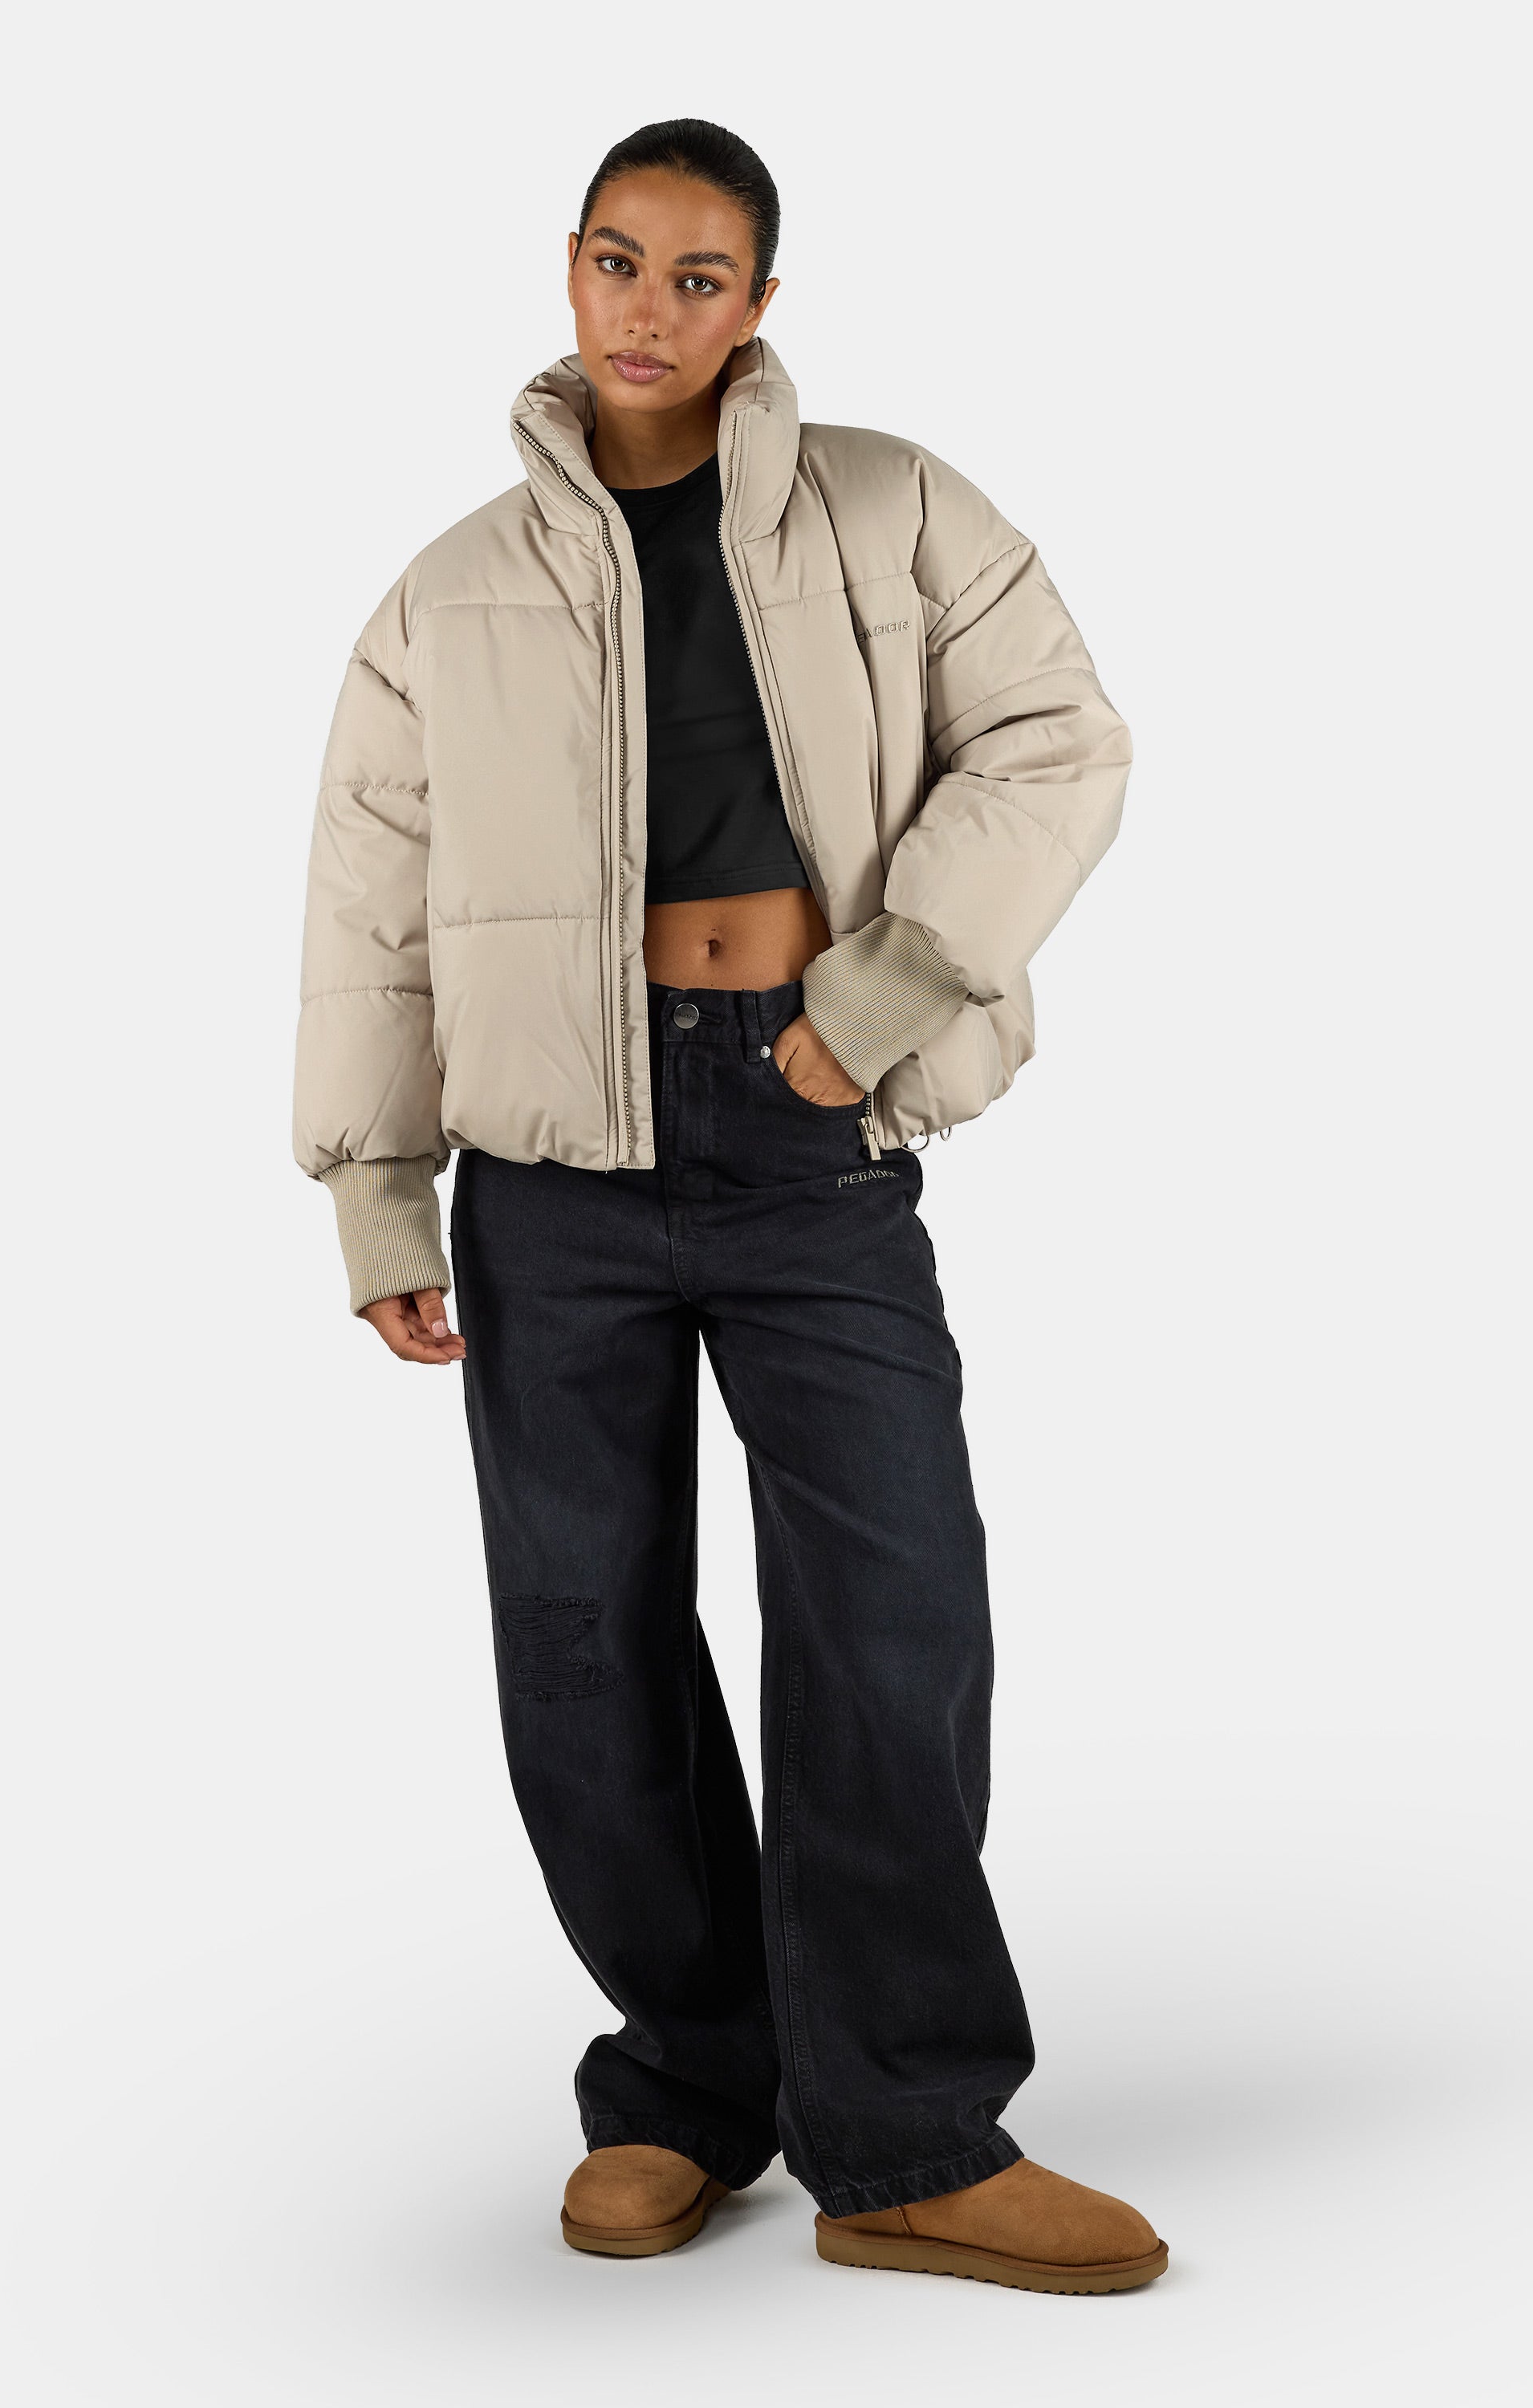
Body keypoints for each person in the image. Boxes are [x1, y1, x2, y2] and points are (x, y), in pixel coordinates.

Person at [292, 118, 1164, 2295]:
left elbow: (1058, 740)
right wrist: (379, 1187)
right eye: (619, 260)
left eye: (701, 275)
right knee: (582, 1640)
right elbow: (372, 902)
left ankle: (908, 2129)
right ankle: (690, 2084)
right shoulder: (446, 595)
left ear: (761, 303)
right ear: (568, 269)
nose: (651, 307)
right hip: (549, 1175)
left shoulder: (894, 508)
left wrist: (871, 1007)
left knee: (895, 1612)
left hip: (808, 1128)